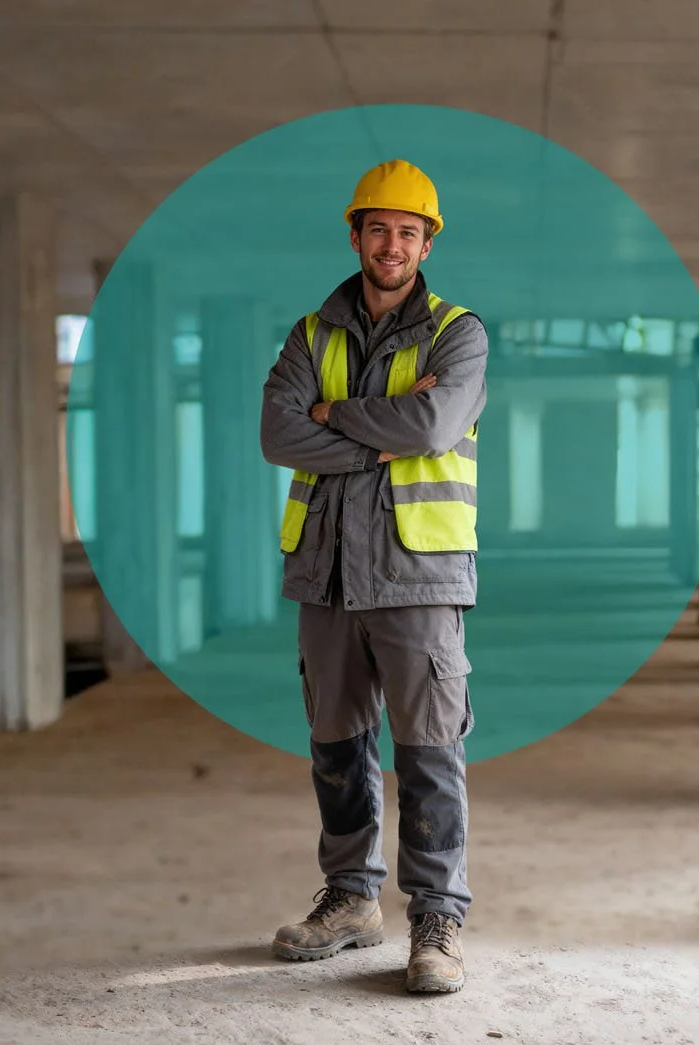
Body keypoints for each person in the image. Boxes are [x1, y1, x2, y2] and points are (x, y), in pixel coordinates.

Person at [258, 158, 489, 994]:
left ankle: (437, 917)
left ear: (426, 244)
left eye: (408, 231)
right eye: (378, 228)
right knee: (336, 744)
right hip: (326, 574)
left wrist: (333, 415)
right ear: (355, 235)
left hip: (419, 574)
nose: (392, 244)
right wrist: (379, 432)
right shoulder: (310, 334)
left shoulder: (458, 333)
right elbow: (278, 434)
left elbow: (434, 420)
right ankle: (351, 898)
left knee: (430, 747)